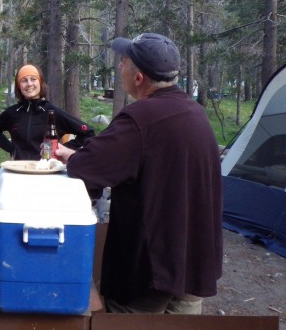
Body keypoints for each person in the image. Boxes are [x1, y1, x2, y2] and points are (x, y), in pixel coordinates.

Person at [56, 33, 223, 314]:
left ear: (138, 77)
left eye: (123, 62)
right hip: (194, 264)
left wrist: (74, 160)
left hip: (152, 272)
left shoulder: (140, 119)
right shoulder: (194, 113)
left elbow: (85, 171)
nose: (119, 67)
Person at [0, 64, 95, 160]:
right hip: (19, 172)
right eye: (24, 80)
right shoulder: (12, 112)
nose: (29, 84)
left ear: (40, 83)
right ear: (19, 86)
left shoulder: (52, 112)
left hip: (46, 173)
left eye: (33, 79)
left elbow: (88, 133)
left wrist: (62, 149)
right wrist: (11, 149)